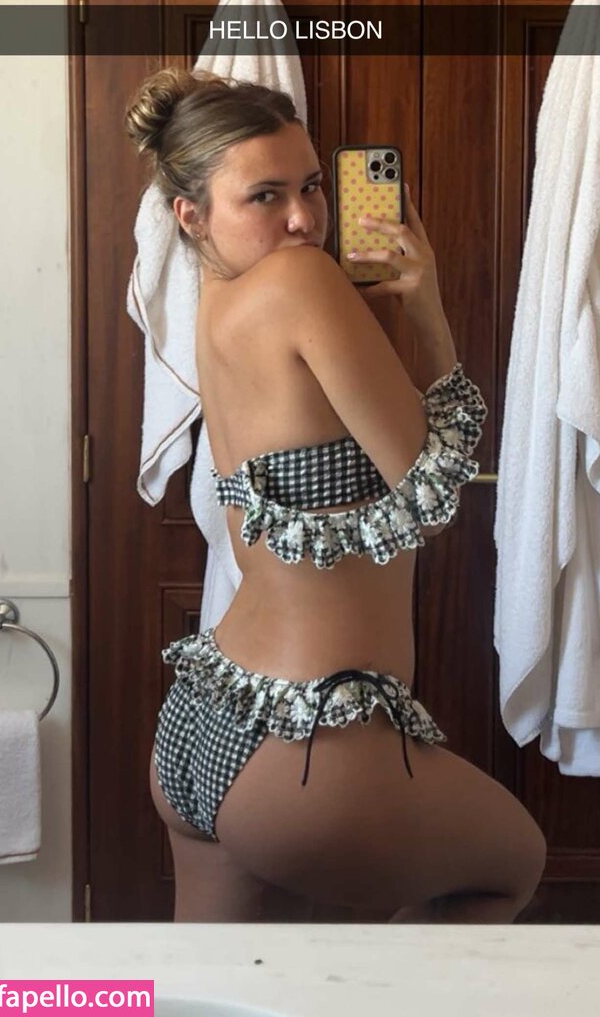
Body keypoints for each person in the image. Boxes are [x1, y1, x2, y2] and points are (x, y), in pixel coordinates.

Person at [124, 67, 547, 924]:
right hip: (308, 739)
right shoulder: (302, 282)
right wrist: (428, 312)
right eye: (266, 195)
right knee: (511, 868)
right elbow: (432, 488)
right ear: (190, 215)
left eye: (312, 185)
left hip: (204, 718)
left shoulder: (216, 307)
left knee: (215, 982)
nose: (303, 218)